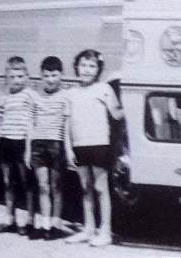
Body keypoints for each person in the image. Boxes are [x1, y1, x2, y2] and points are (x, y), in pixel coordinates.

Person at [64, 49, 124, 247]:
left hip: (100, 145)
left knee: (100, 188)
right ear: (76, 67)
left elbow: (117, 114)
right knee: (85, 188)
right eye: (83, 65)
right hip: (79, 146)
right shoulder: (71, 93)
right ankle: (88, 229)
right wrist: (68, 148)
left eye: (91, 66)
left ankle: (105, 230)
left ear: (98, 70)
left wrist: (132, 102)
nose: (87, 70)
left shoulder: (104, 89)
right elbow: (67, 123)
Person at [27, 56, 73, 240]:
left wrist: (68, 149)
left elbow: (67, 124)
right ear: (41, 76)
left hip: (57, 144)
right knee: (43, 185)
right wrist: (28, 150)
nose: (51, 80)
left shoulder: (66, 96)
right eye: (46, 76)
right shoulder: (36, 97)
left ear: (61, 75)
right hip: (38, 144)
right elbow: (30, 123)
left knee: (56, 186)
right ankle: (45, 224)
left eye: (54, 75)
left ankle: (56, 223)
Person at [0, 56, 36, 236]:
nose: (17, 80)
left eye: (20, 76)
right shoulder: (4, 98)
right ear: (7, 78)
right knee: (7, 182)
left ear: (27, 76)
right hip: (6, 141)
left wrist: (29, 147)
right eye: (12, 77)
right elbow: (1, 123)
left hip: (22, 142)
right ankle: (9, 219)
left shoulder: (30, 95)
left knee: (27, 182)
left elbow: (33, 122)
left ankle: (30, 220)